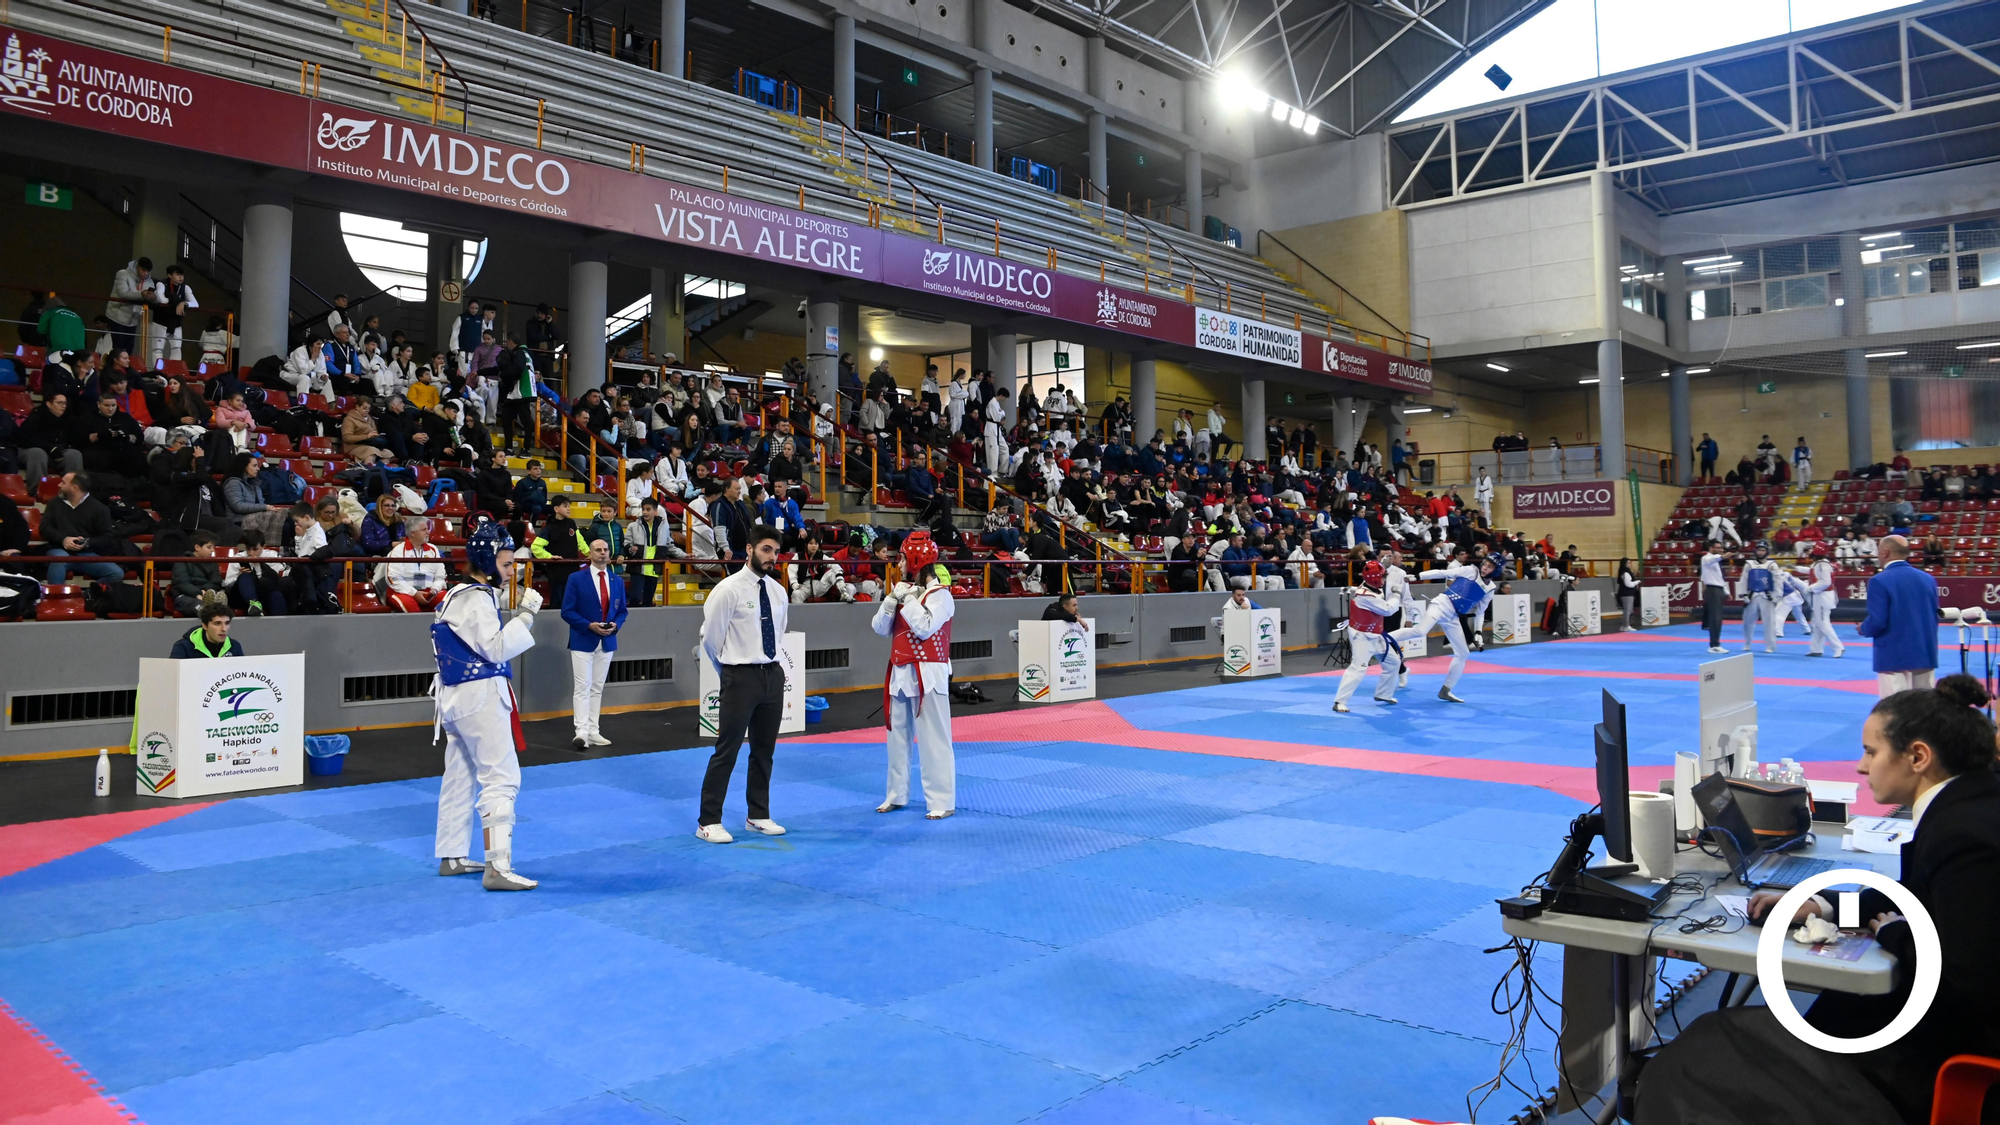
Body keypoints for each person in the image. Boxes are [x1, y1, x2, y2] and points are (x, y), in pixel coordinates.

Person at [1633, 676, 2000, 1125]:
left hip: (1942, 1060)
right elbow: (1912, 898)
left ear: (1918, 757)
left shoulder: (1967, 834)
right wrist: (1824, 907)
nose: (1862, 768)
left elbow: (1969, 979)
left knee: (1704, 1049)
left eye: (1871, 752)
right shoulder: (1970, 803)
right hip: (1929, 1034)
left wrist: (1895, 934)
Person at [431, 521, 543, 891]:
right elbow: (494, 649)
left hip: (456, 697)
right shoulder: (475, 598)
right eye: (507, 564)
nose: (512, 572)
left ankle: (452, 855)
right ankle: (497, 867)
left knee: (460, 774)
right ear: (486, 559)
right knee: (502, 778)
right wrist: (527, 615)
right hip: (478, 696)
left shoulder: (456, 595)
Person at [694, 524, 791, 844]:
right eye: (765, 549)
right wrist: (729, 672)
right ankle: (708, 820)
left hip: (771, 674)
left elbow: (779, 633)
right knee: (727, 749)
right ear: (749, 550)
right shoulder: (728, 589)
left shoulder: (778, 591)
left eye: (775, 552)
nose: (771, 557)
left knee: (765, 750)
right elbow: (710, 638)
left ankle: (758, 814)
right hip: (739, 675)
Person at [870, 530, 956, 819]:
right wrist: (892, 600)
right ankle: (896, 794)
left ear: (917, 561)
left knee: (934, 738)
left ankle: (941, 800)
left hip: (929, 673)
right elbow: (879, 628)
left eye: (904, 558)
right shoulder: (903, 591)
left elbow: (925, 628)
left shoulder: (941, 595)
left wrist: (908, 601)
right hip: (900, 672)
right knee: (897, 737)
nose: (900, 563)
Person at [1389, 554, 1497, 703]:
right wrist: (1418, 576)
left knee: (1463, 653)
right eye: (1485, 564)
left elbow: (1480, 612)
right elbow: (1443, 573)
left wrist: (1478, 632)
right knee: (1420, 631)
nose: (1485, 568)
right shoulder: (1471, 571)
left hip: (1453, 616)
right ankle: (1385, 638)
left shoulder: (1491, 588)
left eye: (1490, 567)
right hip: (1441, 604)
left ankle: (1446, 690)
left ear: (1496, 570)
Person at [560, 537, 627, 751]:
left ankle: (593, 730)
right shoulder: (576, 579)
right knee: (583, 687)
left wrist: (615, 626)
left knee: (597, 687)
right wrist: (589, 625)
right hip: (583, 639)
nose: (603, 553)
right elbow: (567, 611)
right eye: (598, 550)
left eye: (606, 550)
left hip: (607, 640)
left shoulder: (616, 580)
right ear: (590, 554)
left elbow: (623, 611)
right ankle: (581, 732)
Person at [1859, 534, 1939, 697]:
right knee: (1926, 707)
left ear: (1885, 552)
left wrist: (1863, 628)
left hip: (1893, 653)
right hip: (1924, 650)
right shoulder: (1928, 579)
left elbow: (1878, 621)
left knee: (1895, 709)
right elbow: (1935, 615)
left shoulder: (1879, 580)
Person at [1331, 560, 1403, 714]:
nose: (1384, 581)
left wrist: (1382, 563)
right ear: (1375, 579)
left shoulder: (1373, 587)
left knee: (1393, 663)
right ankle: (1340, 701)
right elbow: (1388, 610)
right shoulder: (1365, 596)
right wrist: (1397, 594)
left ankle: (1383, 694)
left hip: (1376, 635)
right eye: (1382, 578)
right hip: (1362, 637)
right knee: (1358, 668)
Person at [383, 517, 448, 612]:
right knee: (411, 607)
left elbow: (441, 576)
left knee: (449, 601)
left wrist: (434, 589)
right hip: (404, 592)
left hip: (430, 591)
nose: (428, 533)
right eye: (424, 530)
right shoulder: (398, 551)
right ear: (413, 533)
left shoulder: (432, 549)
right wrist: (414, 593)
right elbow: (394, 579)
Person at [1800, 545, 1846, 658]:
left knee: (1822, 623)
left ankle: (1838, 647)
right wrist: (1797, 568)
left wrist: (1809, 588)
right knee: (1817, 623)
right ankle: (1816, 649)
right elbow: (1811, 571)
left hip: (1823, 596)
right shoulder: (1819, 564)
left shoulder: (1823, 565)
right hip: (1819, 595)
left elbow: (1825, 582)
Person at [1737, 541, 1784, 653]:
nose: (1760, 552)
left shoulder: (1772, 565)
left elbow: (1778, 581)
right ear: (1755, 551)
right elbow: (1743, 580)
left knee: (1769, 622)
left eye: (1763, 550)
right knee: (1747, 622)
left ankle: (1770, 645)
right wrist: (1743, 594)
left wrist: (1778, 595)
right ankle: (1747, 643)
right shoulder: (1749, 564)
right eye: (1759, 550)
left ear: (1767, 552)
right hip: (1752, 595)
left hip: (1766, 596)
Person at [170, 602, 242, 658]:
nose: (224, 629)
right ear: (205, 625)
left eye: (227, 623)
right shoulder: (183, 647)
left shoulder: (234, 646)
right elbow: (173, 675)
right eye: (217, 623)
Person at [1699, 540, 1730, 653]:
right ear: (1711, 548)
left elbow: (1720, 578)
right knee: (1715, 618)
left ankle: (1715, 643)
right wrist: (1722, 556)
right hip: (1712, 590)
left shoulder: (1715, 562)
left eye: (1721, 548)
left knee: (1718, 618)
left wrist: (1726, 591)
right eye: (1717, 548)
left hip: (1718, 589)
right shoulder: (1706, 559)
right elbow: (1712, 559)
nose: (1720, 550)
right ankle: (1714, 645)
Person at [1616, 557, 1639, 630]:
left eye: (1630, 562)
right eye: (1628, 563)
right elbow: (1628, 584)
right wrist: (1637, 582)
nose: (1630, 564)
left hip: (1627, 593)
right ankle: (1626, 626)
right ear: (1624, 564)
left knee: (1627, 610)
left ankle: (1624, 625)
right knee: (1628, 610)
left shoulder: (1626, 572)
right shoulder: (1626, 573)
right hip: (1626, 594)